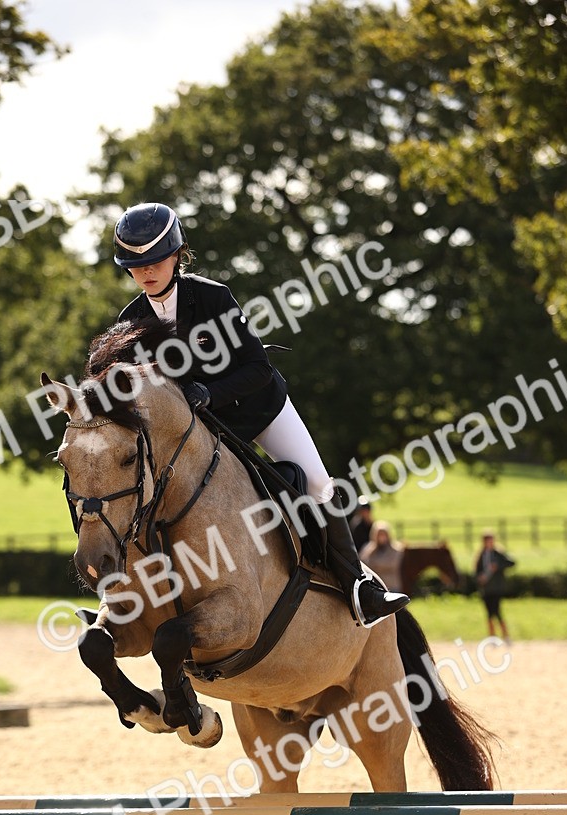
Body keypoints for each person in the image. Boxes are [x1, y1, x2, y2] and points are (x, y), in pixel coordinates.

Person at [112, 202, 409, 628]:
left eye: (155, 261)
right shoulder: (131, 322)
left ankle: (359, 587)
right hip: (205, 430)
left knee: (319, 481)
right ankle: (135, 605)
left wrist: (207, 393)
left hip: (258, 406)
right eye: (135, 266)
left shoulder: (213, 297)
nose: (146, 272)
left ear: (177, 256)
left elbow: (257, 368)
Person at [474, 531, 515, 642]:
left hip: (497, 588)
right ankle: (492, 637)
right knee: (488, 613)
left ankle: (505, 635)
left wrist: (498, 566)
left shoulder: (498, 553)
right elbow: (476, 571)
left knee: (497, 612)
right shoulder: (481, 555)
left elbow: (511, 562)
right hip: (486, 589)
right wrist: (480, 578)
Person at [359, 521, 406, 594]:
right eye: (379, 535)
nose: (381, 538)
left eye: (383, 535)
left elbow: (392, 564)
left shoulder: (396, 549)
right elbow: (363, 564)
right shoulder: (368, 549)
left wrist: (375, 565)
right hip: (374, 587)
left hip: (392, 586)